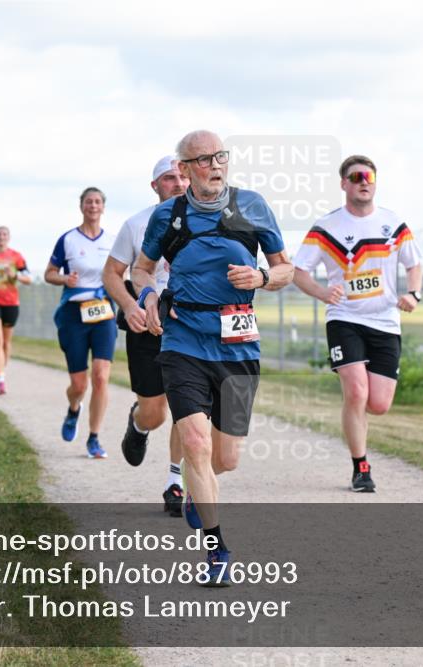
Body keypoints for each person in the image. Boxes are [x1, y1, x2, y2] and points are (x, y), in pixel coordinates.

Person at [132, 130, 293, 586]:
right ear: (184, 169)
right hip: (182, 339)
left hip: (238, 341)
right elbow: (142, 268)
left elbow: (286, 268)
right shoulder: (168, 215)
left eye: (220, 156)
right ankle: (217, 549)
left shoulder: (253, 206)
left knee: (226, 457)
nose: (214, 165)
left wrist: (261, 276)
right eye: (203, 159)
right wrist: (148, 297)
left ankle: (199, 493)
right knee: (197, 446)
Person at [293, 155, 423, 493]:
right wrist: (323, 293)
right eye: (356, 177)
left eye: (369, 176)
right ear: (344, 184)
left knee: (377, 404)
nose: (364, 181)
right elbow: (298, 271)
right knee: (356, 391)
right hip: (344, 318)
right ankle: (360, 467)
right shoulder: (326, 228)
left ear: (375, 183)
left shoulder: (393, 224)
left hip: (385, 321)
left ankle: (359, 431)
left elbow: (415, 265)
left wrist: (415, 294)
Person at [103, 155, 189, 516]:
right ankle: (139, 423)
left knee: (189, 409)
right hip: (146, 326)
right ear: (155, 186)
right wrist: (129, 306)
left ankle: (175, 481)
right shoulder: (136, 225)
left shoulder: (207, 222)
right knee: (156, 413)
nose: (179, 184)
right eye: (170, 178)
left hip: (188, 326)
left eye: (183, 176)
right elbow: (111, 274)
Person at [45, 187, 117, 458]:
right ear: (81, 206)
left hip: (103, 313)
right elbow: (49, 273)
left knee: (100, 376)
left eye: (98, 201)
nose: (93, 206)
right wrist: (65, 279)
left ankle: (94, 438)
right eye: (89, 201)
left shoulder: (112, 240)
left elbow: (120, 273)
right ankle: (74, 409)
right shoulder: (68, 240)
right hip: (74, 315)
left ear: (103, 206)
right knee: (79, 385)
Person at [0, 227, 32, 394]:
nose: (1, 237)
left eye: (4, 234)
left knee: (7, 342)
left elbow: (28, 279)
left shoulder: (16, 256)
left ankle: (2, 370)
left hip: (10, 302)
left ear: (9, 237)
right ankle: (0, 379)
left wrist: (14, 275)